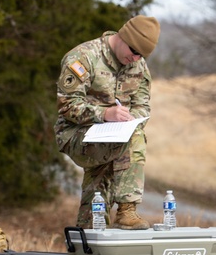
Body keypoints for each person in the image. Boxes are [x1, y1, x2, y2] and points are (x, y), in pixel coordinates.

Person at [55, 16, 160, 230]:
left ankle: (89, 232)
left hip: (114, 137)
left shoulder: (138, 65)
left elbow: (142, 106)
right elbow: (66, 105)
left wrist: (129, 123)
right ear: (123, 36)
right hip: (76, 134)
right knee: (134, 139)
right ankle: (127, 208)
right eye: (133, 51)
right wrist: (104, 114)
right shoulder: (83, 57)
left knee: (100, 178)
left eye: (141, 54)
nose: (135, 58)